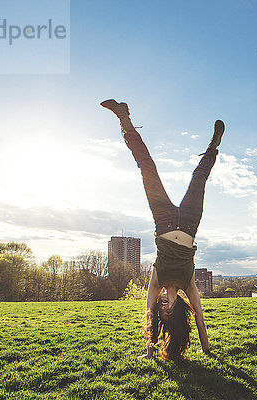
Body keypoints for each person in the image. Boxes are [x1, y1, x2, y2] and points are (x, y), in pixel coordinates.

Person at [101, 99, 224, 360]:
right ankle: (214, 145)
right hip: (190, 223)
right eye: (170, 310)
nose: (164, 307)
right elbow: (200, 320)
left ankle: (124, 119)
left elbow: (149, 317)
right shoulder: (189, 287)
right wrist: (207, 350)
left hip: (163, 220)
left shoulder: (155, 284)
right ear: (178, 308)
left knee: (147, 168)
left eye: (162, 310)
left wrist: (150, 352)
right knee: (199, 177)